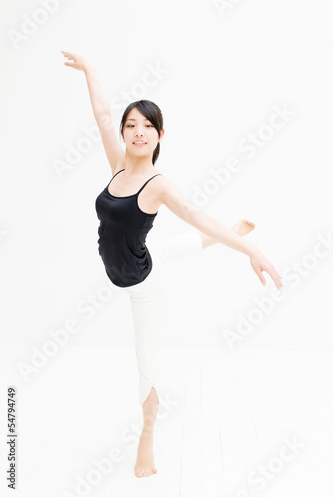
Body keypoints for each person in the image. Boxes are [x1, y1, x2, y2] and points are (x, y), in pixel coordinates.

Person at [61, 50, 283, 478]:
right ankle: (236, 230)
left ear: (160, 135)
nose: (137, 131)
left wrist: (253, 253)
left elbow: (198, 216)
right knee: (172, 248)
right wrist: (90, 69)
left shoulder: (158, 184)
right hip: (143, 260)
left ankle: (146, 443)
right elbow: (104, 117)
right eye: (132, 125)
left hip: (143, 282)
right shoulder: (118, 166)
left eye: (147, 125)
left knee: (148, 362)